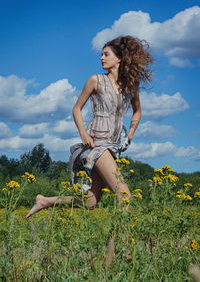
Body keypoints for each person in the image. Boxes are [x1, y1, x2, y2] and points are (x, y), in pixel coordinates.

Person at [26, 35, 153, 219]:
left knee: (91, 202)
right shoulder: (95, 80)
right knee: (124, 196)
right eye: (101, 54)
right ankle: (119, 245)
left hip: (113, 147)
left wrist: (130, 135)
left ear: (119, 58)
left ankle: (45, 201)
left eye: (106, 54)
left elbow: (137, 111)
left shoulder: (130, 86)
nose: (101, 58)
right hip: (97, 145)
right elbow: (76, 109)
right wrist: (84, 134)